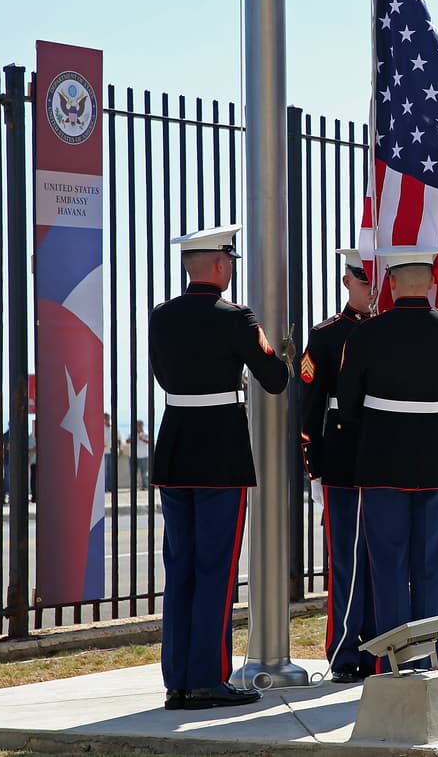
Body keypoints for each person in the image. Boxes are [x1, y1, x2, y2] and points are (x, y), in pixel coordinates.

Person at [150, 224, 288, 710]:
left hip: (175, 449)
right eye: (229, 260)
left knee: (181, 568)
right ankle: (207, 679)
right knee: (216, 571)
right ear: (220, 265)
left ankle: (178, 681)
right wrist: (272, 346)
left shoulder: (161, 316)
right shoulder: (238, 318)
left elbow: (165, 375)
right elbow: (274, 378)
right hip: (221, 454)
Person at [336, 247, 438, 671]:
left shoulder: (365, 333)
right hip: (435, 460)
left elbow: (347, 406)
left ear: (389, 283)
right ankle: (429, 661)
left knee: (387, 565)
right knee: (429, 565)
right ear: (433, 283)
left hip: (382, 459)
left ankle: (393, 665)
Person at [297, 247, 375, 683]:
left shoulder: (387, 329)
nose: (371, 288)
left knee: (380, 559)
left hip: (383, 456)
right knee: (345, 559)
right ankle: (346, 654)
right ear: (347, 282)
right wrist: (314, 463)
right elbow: (309, 403)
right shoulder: (325, 335)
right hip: (342, 457)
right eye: (364, 281)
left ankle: (381, 647)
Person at [128, 420, 151, 490]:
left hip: (144, 456)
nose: (139, 427)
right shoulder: (132, 434)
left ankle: (145, 486)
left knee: (144, 473)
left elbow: (149, 441)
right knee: (133, 473)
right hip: (133, 456)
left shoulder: (146, 434)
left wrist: (141, 439)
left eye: (140, 425)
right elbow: (127, 441)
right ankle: (134, 486)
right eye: (137, 425)